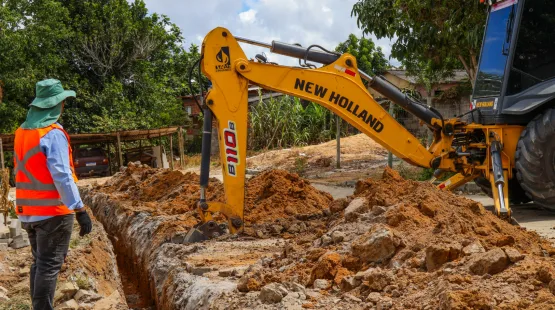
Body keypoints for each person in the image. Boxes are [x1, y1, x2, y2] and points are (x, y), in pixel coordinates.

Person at [13, 79, 93, 310]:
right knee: (48, 266)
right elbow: (62, 176)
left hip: (28, 212)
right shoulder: (52, 133)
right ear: (57, 105)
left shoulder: (22, 132)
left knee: (40, 263)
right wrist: (79, 209)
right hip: (53, 212)